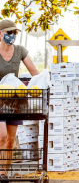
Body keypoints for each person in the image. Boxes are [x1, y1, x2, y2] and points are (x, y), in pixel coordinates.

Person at [0, 19, 39, 182]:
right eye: (9, 32)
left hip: (15, 101)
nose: (12, 36)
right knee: (1, 137)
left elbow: (34, 72)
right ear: (0, 33)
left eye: (14, 33)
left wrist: (39, 84)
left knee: (10, 141)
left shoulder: (20, 51)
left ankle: (4, 173)